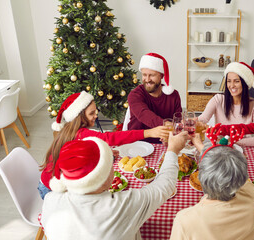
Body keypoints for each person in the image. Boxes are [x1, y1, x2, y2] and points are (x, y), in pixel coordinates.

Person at [40, 132, 189, 240]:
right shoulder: (122, 205)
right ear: (104, 179)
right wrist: (173, 150)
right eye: (110, 163)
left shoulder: (50, 200)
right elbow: (164, 186)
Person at [38, 91, 169, 199]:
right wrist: (148, 132)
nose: (96, 115)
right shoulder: (81, 134)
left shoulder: (69, 130)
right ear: (80, 117)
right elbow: (109, 138)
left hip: (47, 181)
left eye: (95, 111)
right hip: (51, 190)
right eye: (91, 113)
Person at [170, 131, 254, 240]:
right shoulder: (250, 192)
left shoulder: (185, 220)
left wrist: (173, 149)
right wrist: (199, 144)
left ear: (201, 178)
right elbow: (234, 170)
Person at [198, 62, 254, 146]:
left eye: (236, 81)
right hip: (221, 148)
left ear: (245, 84)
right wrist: (193, 122)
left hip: (244, 150)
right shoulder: (218, 99)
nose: (232, 85)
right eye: (229, 81)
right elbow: (203, 119)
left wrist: (229, 140)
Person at [127, 53, 182, 143]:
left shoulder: (173, 95)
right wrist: (166, 125)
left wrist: (175, 132)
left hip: (164, 143)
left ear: (161, 76)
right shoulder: (135, 95)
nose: (147, 79)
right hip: (137, 143)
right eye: (144, 75)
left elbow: (178, 121)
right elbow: (144, 114)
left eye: (152, 75)